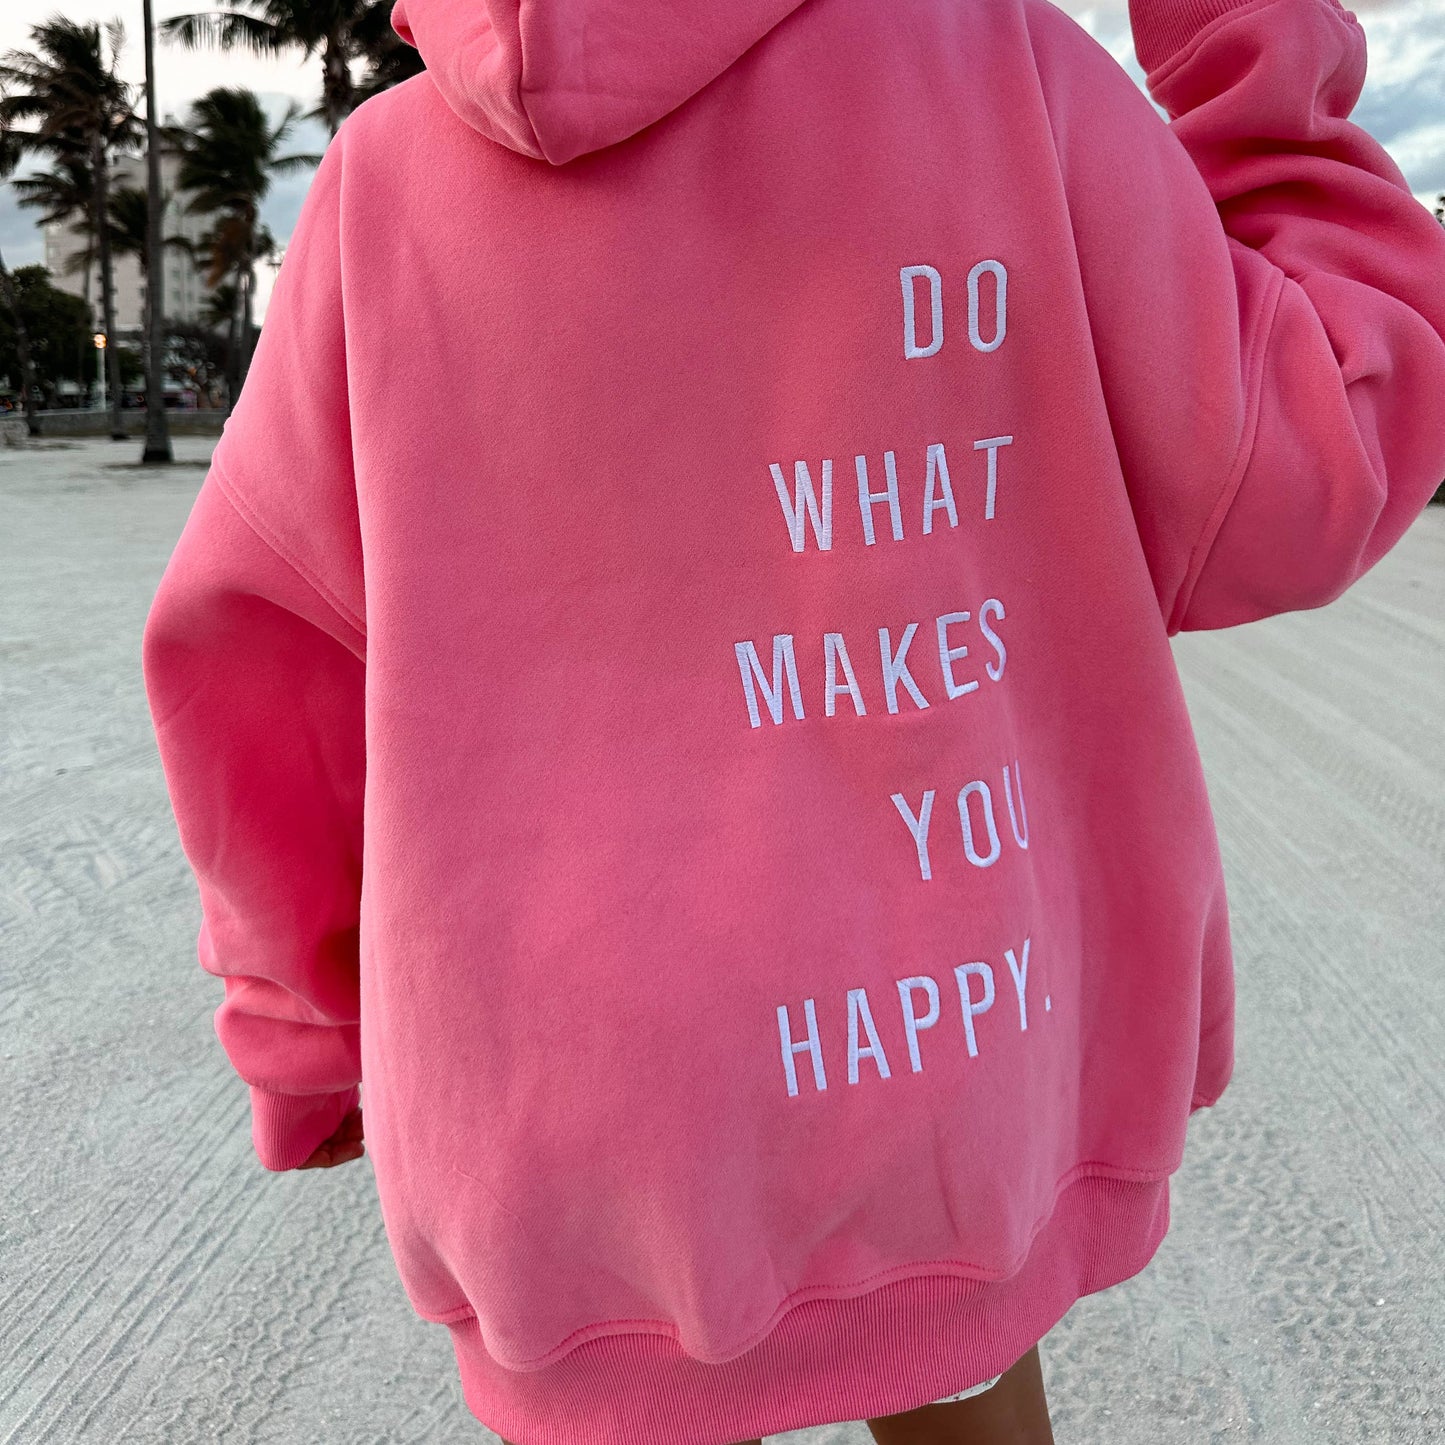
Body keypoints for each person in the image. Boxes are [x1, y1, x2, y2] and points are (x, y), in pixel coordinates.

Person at [139, 0, 1445, 1440]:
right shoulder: (1005, 80)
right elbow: (1309, 464)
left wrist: (306, 1027)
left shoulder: (383, 186)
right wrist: (1236, 44)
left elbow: (263, 646)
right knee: (964, 1362)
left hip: (564, 1107)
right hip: (944, 1053)